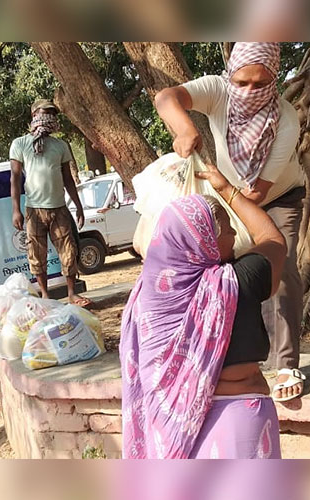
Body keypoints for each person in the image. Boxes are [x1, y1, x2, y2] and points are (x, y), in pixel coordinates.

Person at [154, 42, 306, 402]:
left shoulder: (286, 120)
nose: (249, 92)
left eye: (260, 84)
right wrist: (183, 128)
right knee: (220, 274)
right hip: (229, 192)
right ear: (229, 77)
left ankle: (286, 362)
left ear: (274, 82)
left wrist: (228, 202)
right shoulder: (217, 92)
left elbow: (256, 194)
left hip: (275, 196)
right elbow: (165, 97)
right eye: (241, 82)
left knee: (280, 271)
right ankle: (222, 357)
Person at [121, 163, 287, 458]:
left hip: (174, 437)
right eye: (225, 227)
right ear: (204, 239)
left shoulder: (142, 298)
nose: (235, 233)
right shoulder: (235, 283)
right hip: (240, 425)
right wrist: (227, 189)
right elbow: (272, 240)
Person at [10, 98, 92, 307]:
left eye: (52, 113)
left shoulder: (60, 145)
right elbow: (15, 178)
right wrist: (16, 210)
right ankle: (45, 296)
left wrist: (78, 205)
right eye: (44, 112)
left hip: (59, 208)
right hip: (34, 210)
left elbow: (67, 178)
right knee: (36, 255)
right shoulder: (20, 144)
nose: (49, 117)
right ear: (34, 116)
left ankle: (72, 293)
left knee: (69, 251)